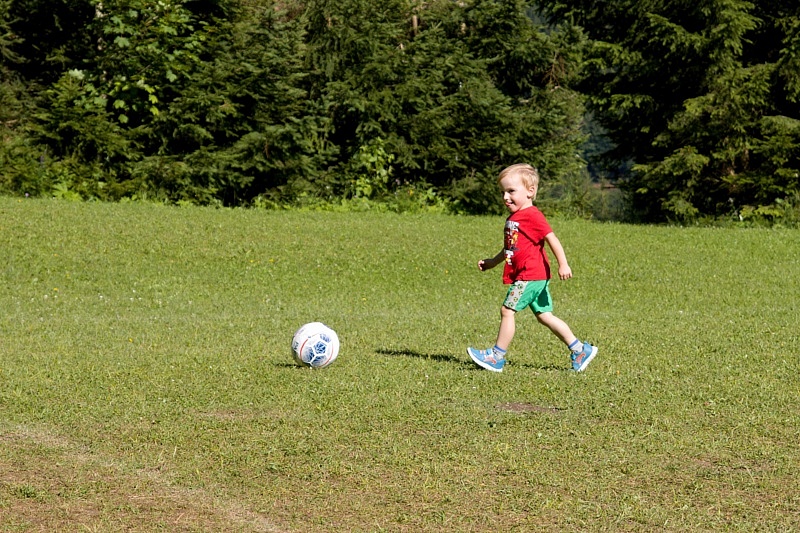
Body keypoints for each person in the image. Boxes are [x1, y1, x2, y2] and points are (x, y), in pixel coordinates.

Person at [467, 163, 597, 373]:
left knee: (507, 310)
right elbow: (511, 247)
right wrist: (493, 261)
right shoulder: (515, 218)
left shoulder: (532, 215)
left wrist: (563, 264)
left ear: (530, 192)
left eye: (511, 191)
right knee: (545, 316)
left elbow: (552, 239)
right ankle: (580, 350)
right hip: (532, 275)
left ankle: (496, 357)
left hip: (530, 276)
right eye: (503, 192)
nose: (505, 197)